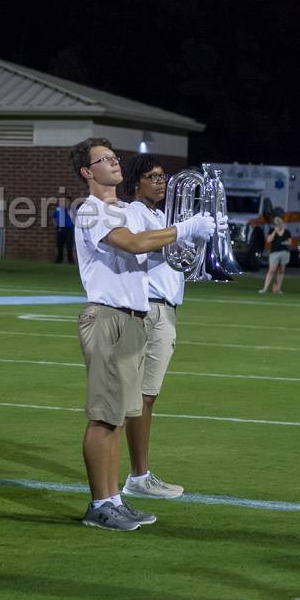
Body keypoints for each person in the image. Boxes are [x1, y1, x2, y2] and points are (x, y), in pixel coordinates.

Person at [69, 138, 219, 531]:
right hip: (107, 317)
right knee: (103, 418)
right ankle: (99, 504)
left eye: (115, 157)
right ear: (87, 171)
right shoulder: (89, 210)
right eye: (105, 160)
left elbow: (150, 251)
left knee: (118, 417)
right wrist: (185, 227)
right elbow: (133, 244)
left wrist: (187, 239)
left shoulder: (123, 210)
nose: (116, 163)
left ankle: (114, 498)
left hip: (134, 317)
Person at [119, 154, 187, 500]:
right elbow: (139, 245)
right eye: (152, 177)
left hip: (166, 310)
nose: (161, 182)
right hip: (151, 310)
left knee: (147, 396)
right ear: (136, 183)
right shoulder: (134, 212)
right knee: (142, 397)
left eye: (163, 177)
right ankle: (138, 476)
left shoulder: (161, 215)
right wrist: (183, 231)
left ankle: (139, 474)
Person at [259, 216, 292, 294]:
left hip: (284, 252)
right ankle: (265, 288)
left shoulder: (287, 232)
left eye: (279, 224)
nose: (278, 226)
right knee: (271, 271)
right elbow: (268, 240)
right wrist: (274, 232)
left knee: (281, 271)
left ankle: (278, 288)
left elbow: (290, 243)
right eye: (276, 224)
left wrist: (285, 243)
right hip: (274, 253)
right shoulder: (271, 230)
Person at [52, 196, 75, 264]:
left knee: (69, 245)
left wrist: (67, 209)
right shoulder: (58, 209)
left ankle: (70, 260)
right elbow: (54, 217)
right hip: (60, 228)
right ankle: (59, 260)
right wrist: (56, 225)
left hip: (69, 228)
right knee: (59, 245)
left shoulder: (72, 209)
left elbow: (73, 218)